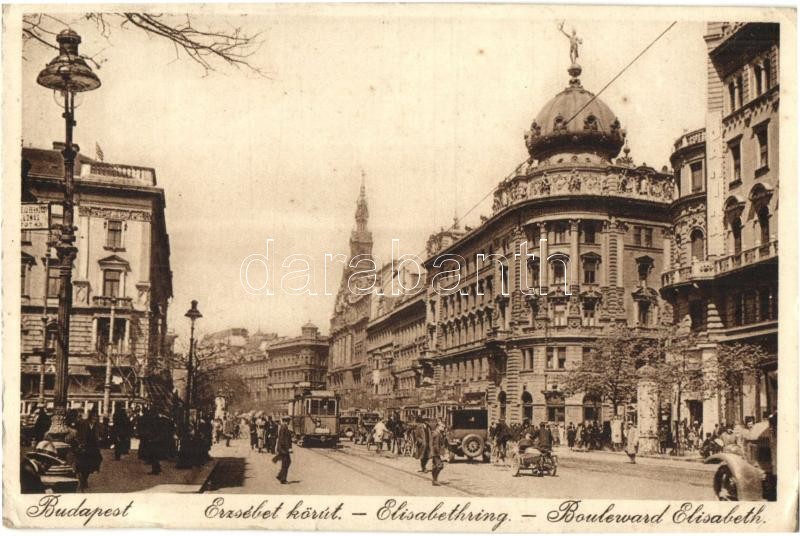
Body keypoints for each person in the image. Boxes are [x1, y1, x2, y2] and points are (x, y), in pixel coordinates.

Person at [74, 409, 102, 491]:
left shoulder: (97, 425)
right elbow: (79, 434)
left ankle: (85, 478)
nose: (95, 418)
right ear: (90, 416)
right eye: (93, 416)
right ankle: (83, 479)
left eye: (96, 417)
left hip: (93, 447)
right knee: (84, 464)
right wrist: (80, 443)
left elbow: (101, 434)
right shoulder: (84, 423)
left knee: (92, 464)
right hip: (85, 446)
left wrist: (100, 438)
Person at [272, 416, 292, 484]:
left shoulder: (283, 427)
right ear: (286, 421)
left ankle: (280, 476)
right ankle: (283, 479)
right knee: (286, 463)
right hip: (284, 449)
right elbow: (283, 439)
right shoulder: (284, 427)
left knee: (287, 462)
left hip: (283, 449)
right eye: (289, 421)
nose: (289, 422)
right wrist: (287, 448)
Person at [429, 420, 446, 486]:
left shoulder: (438, 433)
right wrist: (440, 454)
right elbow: (436, 445)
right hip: (436, 453)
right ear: (438, 427)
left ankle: (434, 480)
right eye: (442, 427)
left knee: (435, 466)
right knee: (440, 466)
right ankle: (435, 480)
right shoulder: (436, 434)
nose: (443, 428)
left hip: (435, 452)